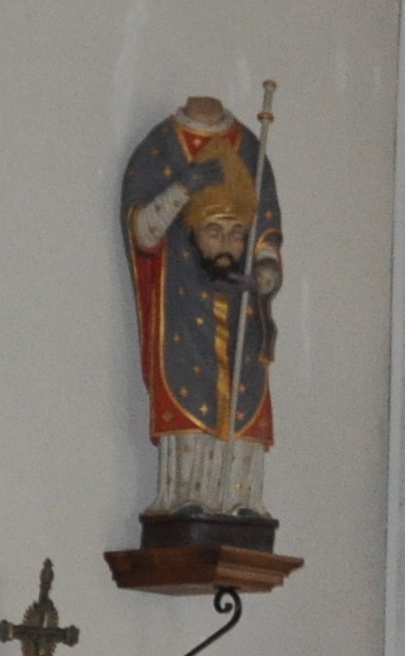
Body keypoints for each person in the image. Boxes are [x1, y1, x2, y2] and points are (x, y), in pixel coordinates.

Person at [120, 94, 288, 532]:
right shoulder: (160, 148)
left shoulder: (250, 149)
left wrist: (260, 278)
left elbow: (267, 237)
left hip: (241, 306)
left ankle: (239, 498)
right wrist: (183, 187)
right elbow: (142, 233)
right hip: (183, 298)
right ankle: (186, 495)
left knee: (244, 393)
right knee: (187, 384)